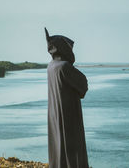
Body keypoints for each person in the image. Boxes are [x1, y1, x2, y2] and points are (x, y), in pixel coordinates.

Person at [45, 28, 89, 168]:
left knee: (58, 145)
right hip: (68, 112)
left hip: (55, 113)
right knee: (72, 147)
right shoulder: (64, 66)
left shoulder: (51, 66)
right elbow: (83, 84)